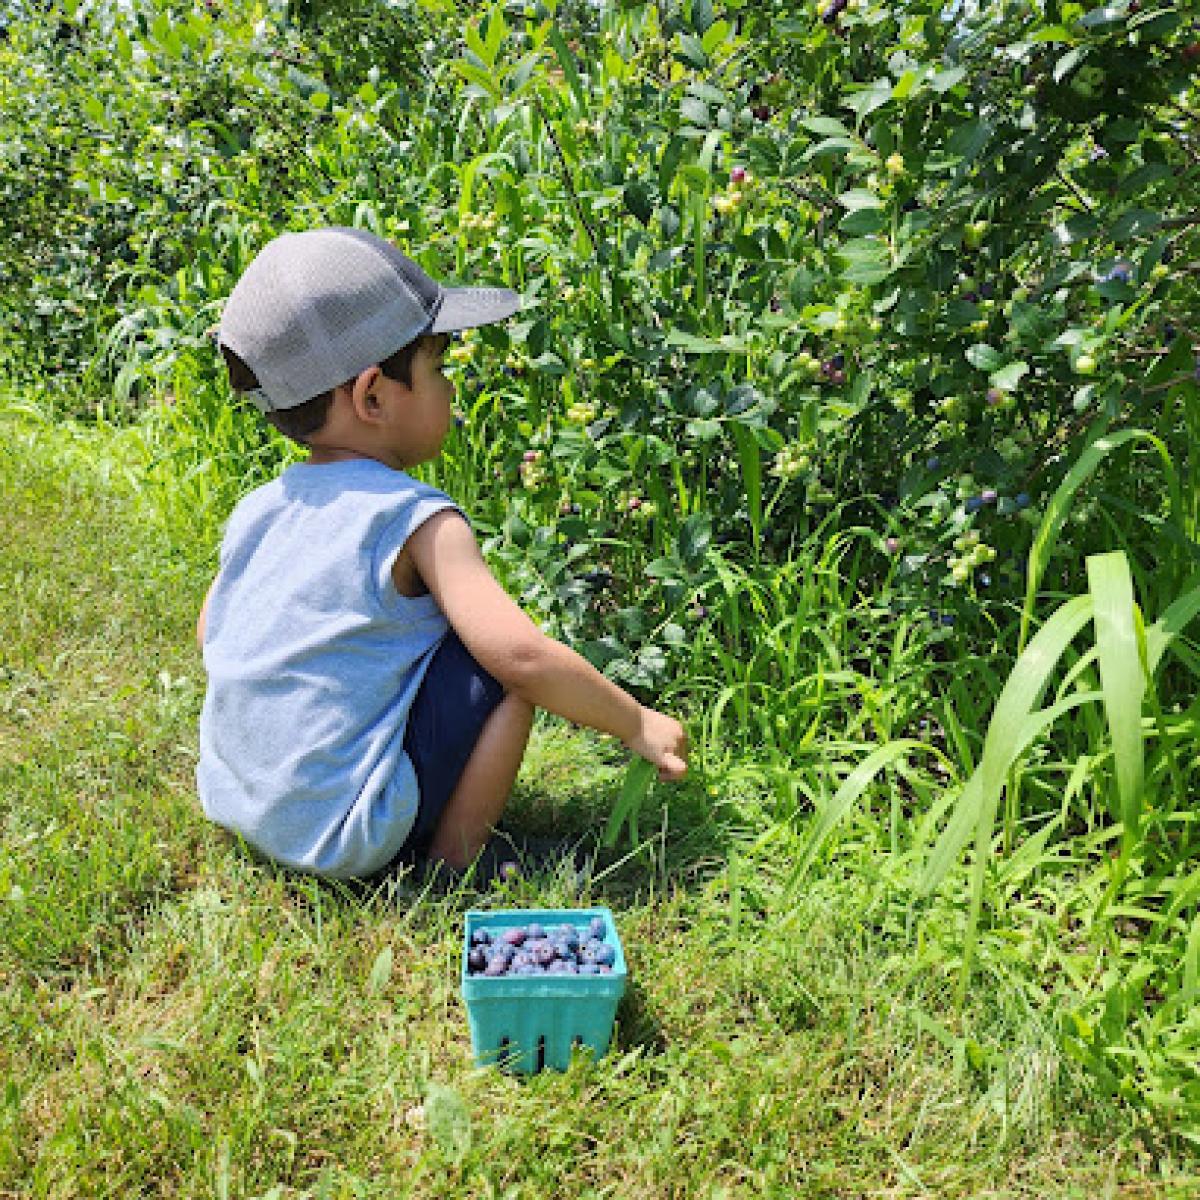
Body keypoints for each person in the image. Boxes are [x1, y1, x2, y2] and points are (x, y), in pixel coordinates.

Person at [195, 226, 688, 882]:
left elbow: (212, 631)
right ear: (372, 396)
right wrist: (636, 722)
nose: (451, 390)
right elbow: (522, 659)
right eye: (437, 370)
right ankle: (456, 863)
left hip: (239, 807)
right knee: (495, 666)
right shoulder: (417, 519)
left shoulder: (260, 508)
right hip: (344, 836)